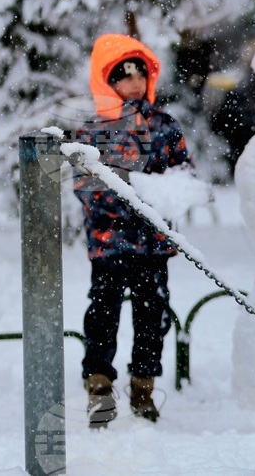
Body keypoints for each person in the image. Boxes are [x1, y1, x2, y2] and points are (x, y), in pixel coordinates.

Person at [73, 33, 193, 427]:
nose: (134, 81)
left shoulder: (163, 125)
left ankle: (143, 388)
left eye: (140, 72)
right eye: (123, 74)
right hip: (109, 245)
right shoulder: (95, 132)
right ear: (107, 82)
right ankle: (99, 385)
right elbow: (87, 187)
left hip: (153, 245)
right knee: (103, 314)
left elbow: (181, 172)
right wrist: (133, 194)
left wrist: (175, 193)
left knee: (152, 315)